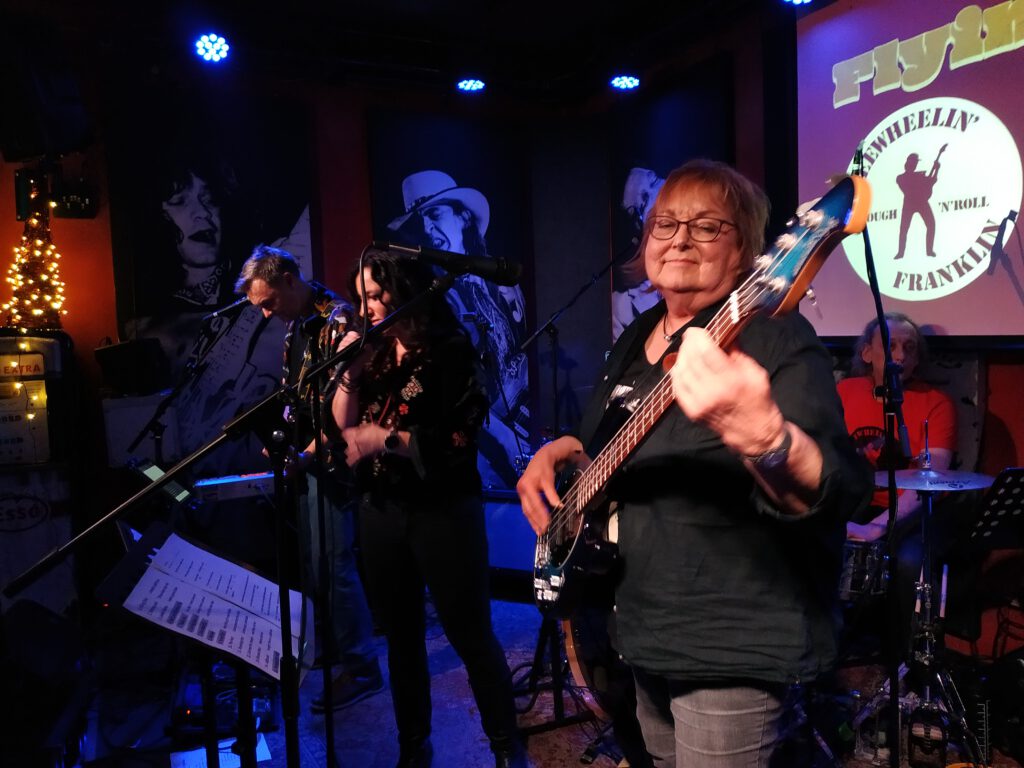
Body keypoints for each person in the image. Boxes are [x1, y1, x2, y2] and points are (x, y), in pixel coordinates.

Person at [517, 159, 870, 767]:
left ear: (748, 251)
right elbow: (604, 444)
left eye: (707, 226)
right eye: (666, 224)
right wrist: (561, 450)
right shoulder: (638, 335)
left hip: (729, 645)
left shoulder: (777, 338)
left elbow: (837, 491)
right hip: (642, 627)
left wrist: (762, 436)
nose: (680, 239)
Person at [330, 249, 529, 768]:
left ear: (405, 291)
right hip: (381, 507)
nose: (367, 308)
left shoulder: (451, 349)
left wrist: (385, 439)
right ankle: (413, 747)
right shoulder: (373, 350)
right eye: (361, 298)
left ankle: (506, 746)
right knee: (401, 638)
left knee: (469, 633)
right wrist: (349, 370)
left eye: (376, 295)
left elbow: (458, 439)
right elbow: (342, 424)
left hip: (443, 508)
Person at [235, 245, 383, 712]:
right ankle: (340, 652)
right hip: (307, 458)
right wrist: (282, 442)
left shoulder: (337, 322)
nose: (264, 312)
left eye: (268, 302)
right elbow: (297, 397)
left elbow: (343, 411)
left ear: (289, 280)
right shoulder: (297, 325)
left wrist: (304, 455)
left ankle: (362, 667)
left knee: (335, 567)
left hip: (331, 462)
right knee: (317, 565)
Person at [389, 170, 529, 487]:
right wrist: (505, 439)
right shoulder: (433, 300)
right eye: (418, 221)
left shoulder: (497, 280)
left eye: (434, 214)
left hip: (521, 428)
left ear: (462, 216)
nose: (427, 229)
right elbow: (451, 389)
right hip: (481, 446)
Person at [837, 312, 958, 652]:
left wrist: (877, 528)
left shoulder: (936, 403)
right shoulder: (844, 393)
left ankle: (907, 661)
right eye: (891, 346)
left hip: (912, 516)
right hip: (856, 504)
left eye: (910, 348)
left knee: (908, 562)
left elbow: (929, 482)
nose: (901, 356)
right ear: (867, 353)